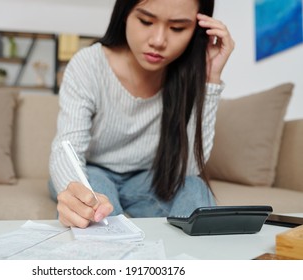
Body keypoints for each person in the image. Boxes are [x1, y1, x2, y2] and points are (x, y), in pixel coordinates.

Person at [49, 0, 234, 228]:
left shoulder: (186, 75)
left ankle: (189, 262)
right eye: (145, 21)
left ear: (197, 30)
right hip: (92, 169)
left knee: (195, 186)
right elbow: (66, 150)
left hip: (147, 179)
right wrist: (76, 194)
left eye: (177, 28)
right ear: (124, 14)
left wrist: (209, 79)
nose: (158, 41)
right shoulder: (88, 64)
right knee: (95, 190)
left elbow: (190, 169)